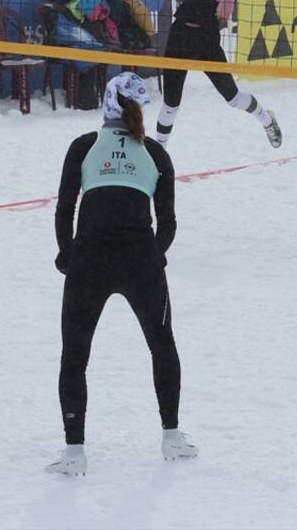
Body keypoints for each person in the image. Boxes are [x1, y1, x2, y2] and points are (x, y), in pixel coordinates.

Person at [47, 72, 197, 476]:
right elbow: (167, 223)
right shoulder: (155, 154)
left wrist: (68, 256)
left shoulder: (84, 147)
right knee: (162, 345)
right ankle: (172, 437)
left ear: (107, 105)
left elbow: (64, 210)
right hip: (139, 260)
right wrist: (153, 256)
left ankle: (74, 453)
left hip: (89, 260)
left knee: (74, 356)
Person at [155, 0, 281, 148]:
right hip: (180, 33)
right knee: (170, 102)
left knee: (232, 98)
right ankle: (159, 149)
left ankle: (267, 119)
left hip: (206, 38)